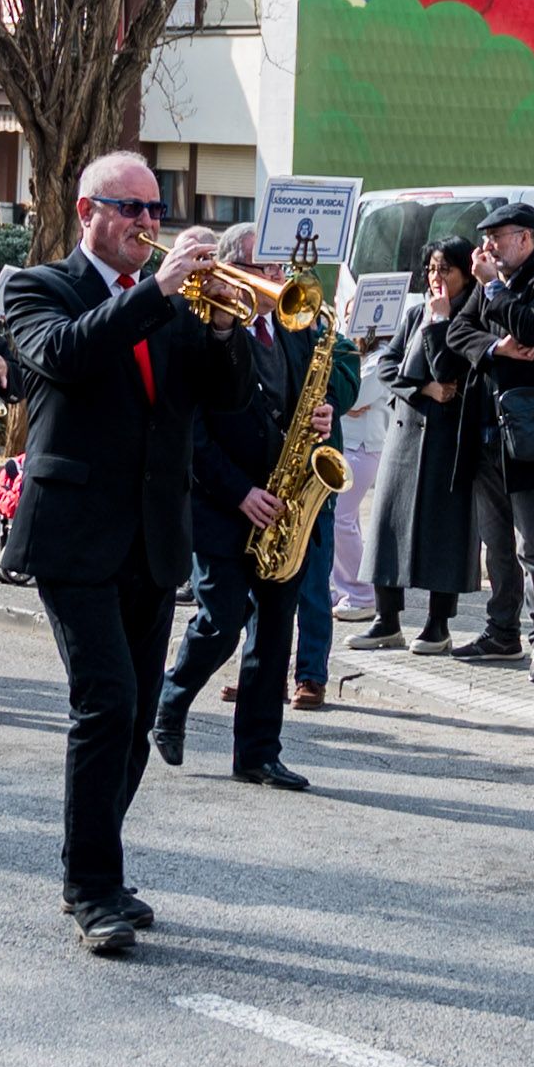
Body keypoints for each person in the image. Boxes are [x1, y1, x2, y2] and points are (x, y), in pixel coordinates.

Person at [0, 155, 251, 958]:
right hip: (73, 532)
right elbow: (68, 356)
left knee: (136, 715)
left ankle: (96, 864)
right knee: (104, 702)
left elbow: (224, 397)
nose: (150, 221)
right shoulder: (38, 287)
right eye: (132, 209)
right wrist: (161, 293)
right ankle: (92, 887)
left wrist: (220, 327)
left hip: (154, 533)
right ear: (86, 212)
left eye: (156, 208)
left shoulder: (172, 304)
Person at [153, 300, 356, 785]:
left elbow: (310, 394)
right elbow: (191, 432)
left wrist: (324, 418)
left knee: (273, 631)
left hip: (286, 503)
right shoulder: (202, 331)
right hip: (224, 503)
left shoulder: (297, 327)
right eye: (254, 264)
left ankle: (258, 753)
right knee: (220, 621)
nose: (268, 276)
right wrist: (240, 493)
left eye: (270, 261)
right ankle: (170, 699)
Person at [449, 204, 534, 679]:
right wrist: (494, 348)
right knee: (495, 543)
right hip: (487, 432)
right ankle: (501, 632)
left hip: (533, 434)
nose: (487, 249)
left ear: (525, 238)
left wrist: (493, 290)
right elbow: (458, 331)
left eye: (497, 239)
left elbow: (531, 325)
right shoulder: (490, 285)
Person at [355, 243, 481, 653]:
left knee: (444, 530)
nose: (436, 277)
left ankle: (437, 624)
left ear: (465, 273)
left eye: (445, 269)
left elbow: (449, 370)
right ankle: (386, 619)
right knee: (389, 526)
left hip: (447, 438)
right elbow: (388, 367)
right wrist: (423, 388)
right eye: (431, 268)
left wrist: (441, 324)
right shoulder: (414, 313)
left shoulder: (469, 316)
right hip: (405, 434)